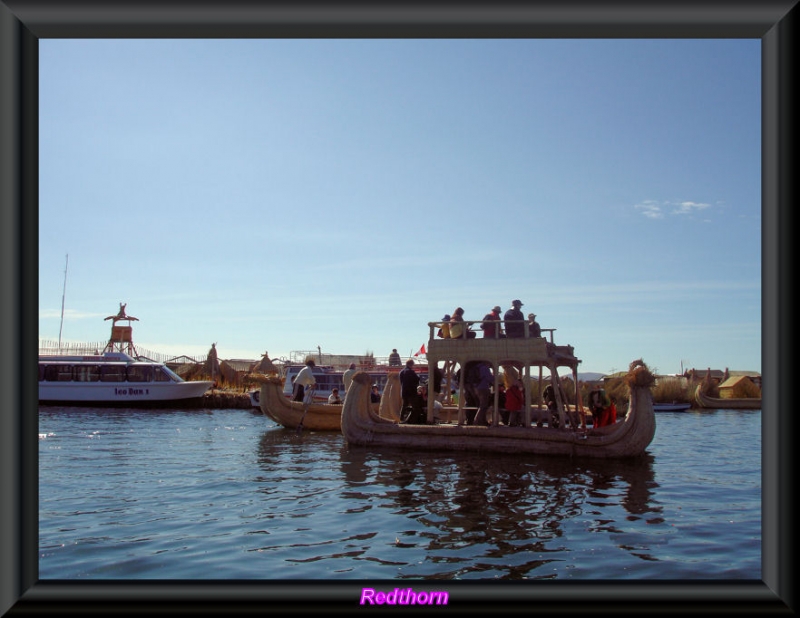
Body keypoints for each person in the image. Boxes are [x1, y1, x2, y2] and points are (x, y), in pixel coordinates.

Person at [472, 361, 495, 426]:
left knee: (482, 405)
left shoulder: (478, 367)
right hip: (483, 388)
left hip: (477, 387)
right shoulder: (484, 368)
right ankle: (477, 420)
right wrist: (495, 375)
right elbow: (490, 378)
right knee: (483, 406)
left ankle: (482, 421)